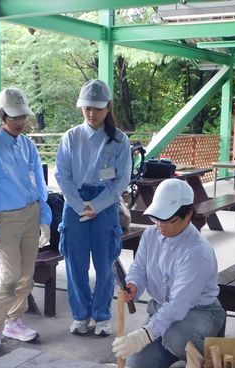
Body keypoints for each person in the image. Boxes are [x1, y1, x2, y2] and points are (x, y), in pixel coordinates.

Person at [111, 179, 225, 368]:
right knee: (137, 367)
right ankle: (177, 351)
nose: (160, 225)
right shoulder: (150, 234)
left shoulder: (197, 252)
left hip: (199, 313)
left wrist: (144, 335)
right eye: (156, 218)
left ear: (188, 215)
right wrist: (134, 284)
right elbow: (139, 268)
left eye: (167, 220)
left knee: (175, 336)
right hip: (162, 311)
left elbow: (178, 305)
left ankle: (207, 361)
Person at [0, 88, 52, 354]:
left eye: (23, 117)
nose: (21, 122)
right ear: (2, 115)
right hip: (5, 220)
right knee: (9, 277)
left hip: (31, 214)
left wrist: (44, 217)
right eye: (15, 117)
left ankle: (15, 321)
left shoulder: (27, 145)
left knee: (26, 276)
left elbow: (39, 184)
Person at [55, 79, 132, 336]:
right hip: (74, 202)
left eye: (97, 108)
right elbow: (62, 175)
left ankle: (101, 315)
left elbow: (121, 180)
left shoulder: (119, 140)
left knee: (105, 262)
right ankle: (80, 315)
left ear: (108, 108)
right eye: (87, 108)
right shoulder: (71, 137)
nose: (91, 113)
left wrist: (96, 206)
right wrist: (80, 205)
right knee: (74, 263)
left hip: (106, 203)